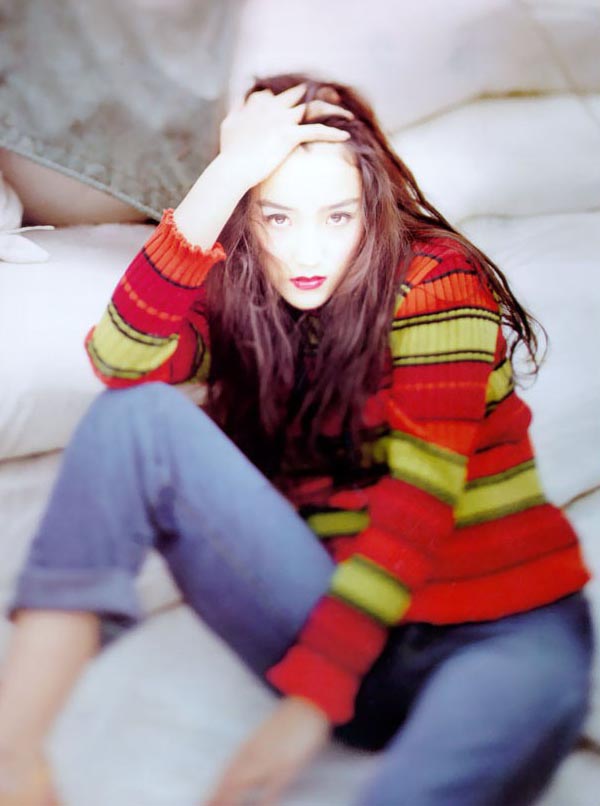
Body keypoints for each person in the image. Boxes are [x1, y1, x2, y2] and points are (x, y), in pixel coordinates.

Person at [0, 72, 593, 806]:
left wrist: (308, 706)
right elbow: (121, 359)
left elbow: (418, 504)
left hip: (497, 634)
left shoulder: (437, 281)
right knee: (133, 419)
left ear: (371, 206)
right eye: (277, 218)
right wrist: (225, 177)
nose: (307, 252)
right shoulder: (245, 296)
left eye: (337, 217)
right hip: (343, 637)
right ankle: (14, 763)